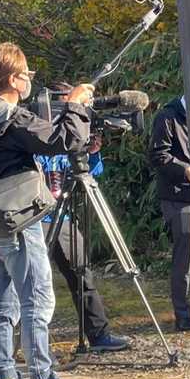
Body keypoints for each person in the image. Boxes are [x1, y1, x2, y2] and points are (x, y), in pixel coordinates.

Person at [0, 43, 92, 379]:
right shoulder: (13, 118)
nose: (30, 80)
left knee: (3, 303)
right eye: (27, 75)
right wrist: (76, 105)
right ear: (14, 80)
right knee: (37, 298)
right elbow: (66, 140)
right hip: (17, 219)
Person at [38, 141, 132, 353]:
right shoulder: (36, 144)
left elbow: (92, 175)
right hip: (35, 219)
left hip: (64, 218)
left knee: (82, 275)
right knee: (32, 281)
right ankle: (28, 346)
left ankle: (99, 335)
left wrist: (93, 152)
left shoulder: (70, 148)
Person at [149, 94, 190, 332]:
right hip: (177, 197)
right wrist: (185, 170)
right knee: (184, 257)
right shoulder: (167, 116)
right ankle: (183, 316)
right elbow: (158, 156)